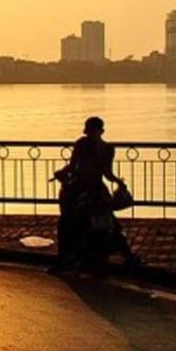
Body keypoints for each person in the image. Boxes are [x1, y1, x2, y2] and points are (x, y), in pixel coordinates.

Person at [51, 116, 140, 272]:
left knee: (66, 223)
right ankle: (128, 255)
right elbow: (108, 174)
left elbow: (72, 167)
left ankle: (64, 260)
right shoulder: (108, 148)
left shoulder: (81, 144)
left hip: (80, 188)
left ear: (87, 130)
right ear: (102, 130)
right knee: (111, 222)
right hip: (98, 188)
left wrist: (60, 173)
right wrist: (119, 182)